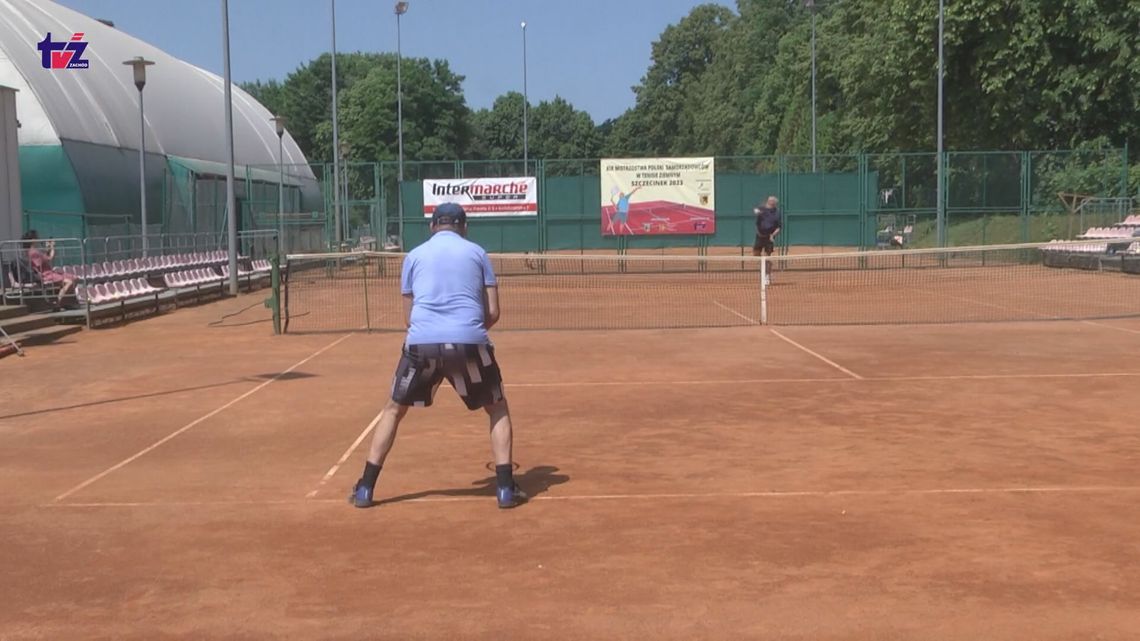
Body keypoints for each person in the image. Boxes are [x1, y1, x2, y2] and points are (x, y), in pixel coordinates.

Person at [349, 202, 526, 510]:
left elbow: (409, 318)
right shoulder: (477, 253)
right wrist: (465, 333)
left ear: (433, 227)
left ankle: (365, 488)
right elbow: (493, 312)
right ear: (464, 227)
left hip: (422, 345)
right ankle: (505, 490)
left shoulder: (414, 256)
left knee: (393, 410)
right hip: (469, 343)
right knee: (497, 408)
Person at [22, 230, 77, 310]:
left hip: (50, 272)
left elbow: (44, 258)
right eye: (36, 237)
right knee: (69, 282)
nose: (38, 239)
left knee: (74, 278)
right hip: (45, 274)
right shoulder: (33, 252)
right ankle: (57, 303)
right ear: (33, 240)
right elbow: (48, 259)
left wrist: (48, 249)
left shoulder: (35, 251)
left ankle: (67, 302)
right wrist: (52, 248)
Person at [752, 196, 782, 285]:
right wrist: (757, 212)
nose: (770, 202)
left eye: (772, 201)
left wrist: (772, 235)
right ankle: (764, 267)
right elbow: (755, 211)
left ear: (774, 203)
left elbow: (779, 227)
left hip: (769, 238)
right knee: (756, 254)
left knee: (767, 257)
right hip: (759, 236)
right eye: (769, 201)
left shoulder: (777, 213)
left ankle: (767, 276)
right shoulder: (761, 209)